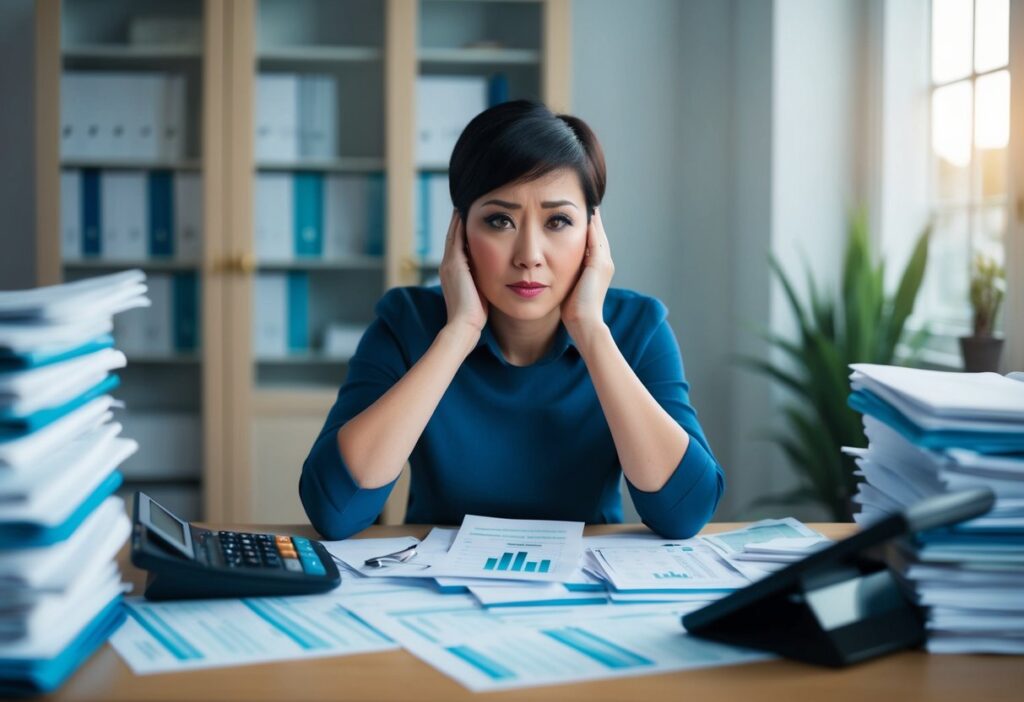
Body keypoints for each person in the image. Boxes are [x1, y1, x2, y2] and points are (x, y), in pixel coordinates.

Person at [299, 100, 724, 540]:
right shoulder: (407, 321)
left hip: (585, 592)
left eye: (558, 221)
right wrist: (458, 334)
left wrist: (592, 332)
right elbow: (336, 509)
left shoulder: (637, 326)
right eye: (499, 220)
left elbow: (685, 514)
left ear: (592, 235)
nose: (528, 257)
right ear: (460, 232)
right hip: (436, 588)